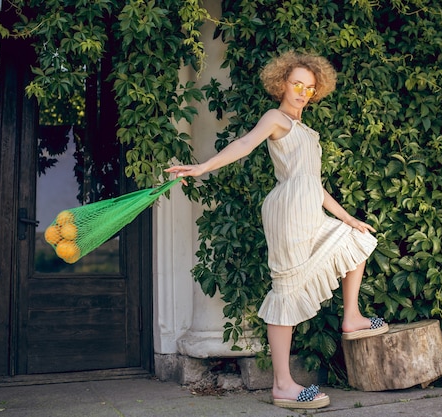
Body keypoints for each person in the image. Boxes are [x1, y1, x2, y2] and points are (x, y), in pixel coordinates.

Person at [165, 51, 388, 410]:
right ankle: (283, 385)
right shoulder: (276, 118)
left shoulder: (306, 130)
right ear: (281, 83)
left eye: (310, 88)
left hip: (308, 207)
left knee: (358, 238)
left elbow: (313, 185)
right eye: (296, 84)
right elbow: (244, 144)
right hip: (288, 212)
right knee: (286, 288)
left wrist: (347, 218)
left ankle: (351, 318)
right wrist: (204, 166)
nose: (302, 92)